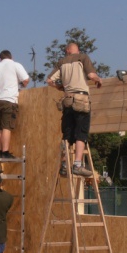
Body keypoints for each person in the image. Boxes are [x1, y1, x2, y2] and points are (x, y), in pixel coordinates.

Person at [46, 43, 103, 177]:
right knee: (81, 133)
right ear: (77, 50)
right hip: (81, 100)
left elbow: (49, 81)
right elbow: (91, 74)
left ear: (67, 51)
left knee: (67, 134)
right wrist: (98, 80)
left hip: (67, 101)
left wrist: (59, 87)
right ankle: (77, 165)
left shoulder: (61, 62)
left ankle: (65, 165)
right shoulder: (82, 58)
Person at [0, 50, 30, 159]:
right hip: (8, 100)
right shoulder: (15, 65)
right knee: (6, 127)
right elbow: (26, 80)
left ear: (0, 59)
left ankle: (0, 152)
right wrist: (19, 86)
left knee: (0, 129)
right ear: (11, 57)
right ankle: (5, 152)